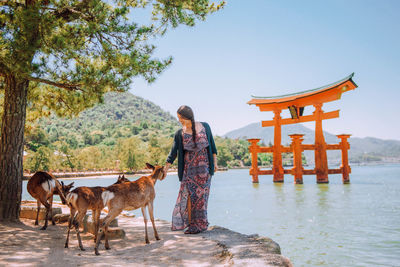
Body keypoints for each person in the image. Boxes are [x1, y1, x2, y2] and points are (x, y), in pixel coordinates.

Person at [163, 105, 218, 234]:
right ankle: (192, 225)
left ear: (187, 116)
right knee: (190, 197)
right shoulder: (179, 133)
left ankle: (201, 224)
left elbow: (213, 147)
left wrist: (215, 164)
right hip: (189, 171)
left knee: (202, 198)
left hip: (205, 171)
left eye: (180, 118)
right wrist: (165, 169)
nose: (179, 120)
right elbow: (173, 153)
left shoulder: (205, 126)